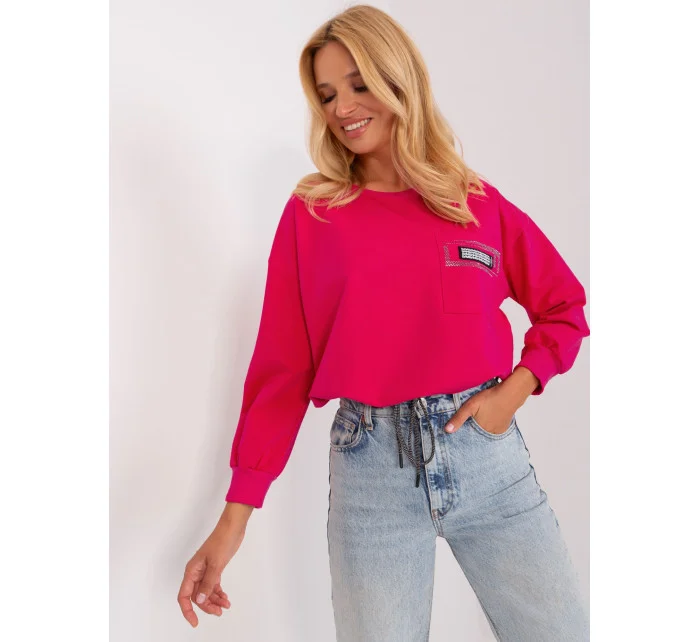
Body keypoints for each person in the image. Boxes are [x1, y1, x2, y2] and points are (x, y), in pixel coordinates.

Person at [177, 5, 590, 640]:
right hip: (372, 473)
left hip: (489, 460)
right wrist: (235, 516)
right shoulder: (314, 215)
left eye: (359, 83)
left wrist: (514, 391)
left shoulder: (475, 204)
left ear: (400, 79)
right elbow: (283, 369)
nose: (343, 107)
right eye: (327, 94)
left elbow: (564, 307)